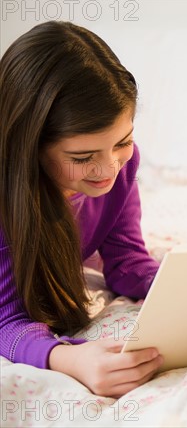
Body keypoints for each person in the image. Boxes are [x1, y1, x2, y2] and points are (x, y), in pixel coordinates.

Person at [0, 21, 163, 397]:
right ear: (31, 147)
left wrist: (184, 287)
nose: (109, 169)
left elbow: (127, 263)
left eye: (123, 142)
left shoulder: (121, 166)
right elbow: (6, 320)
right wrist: (70, 359)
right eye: (83, 156)